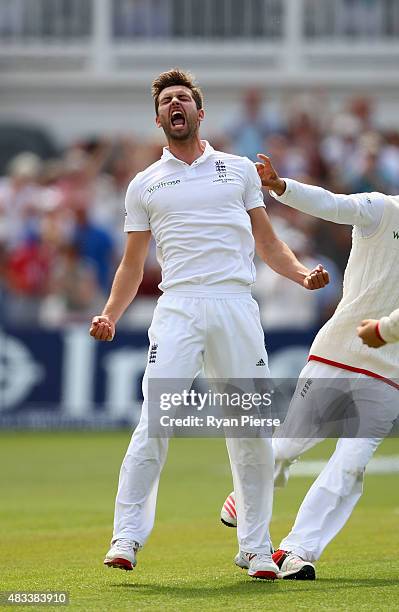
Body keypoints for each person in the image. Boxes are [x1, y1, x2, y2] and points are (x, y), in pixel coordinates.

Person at [89, 70, 328, 580]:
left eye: (184, 99)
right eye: (167, 101)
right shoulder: (145, 183)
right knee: (157, 420)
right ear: (158, 119)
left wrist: (301, 272)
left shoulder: (239, 169)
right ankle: (126, 536)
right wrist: (110, 313)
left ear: (199, 113)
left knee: (251, 431)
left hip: (235, 305)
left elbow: (267, 243)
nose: (176, 105)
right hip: (178, 307)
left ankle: (256, 548)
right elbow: (133, 265)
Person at [220, 154, 399, 580]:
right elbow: (334, 204)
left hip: (389, 368)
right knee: (287, 446)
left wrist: (388, 330)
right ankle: (247, 495)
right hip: (340, 348)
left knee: (351, 465)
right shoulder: (383, 208)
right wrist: (282, 187)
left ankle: (297, 550)